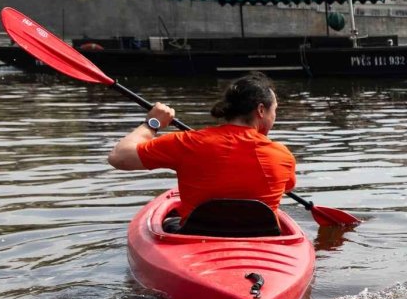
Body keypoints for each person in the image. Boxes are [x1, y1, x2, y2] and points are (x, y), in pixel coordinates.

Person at [107, 72, 296, 222]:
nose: (274, 117)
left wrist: (152, 123)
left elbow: (118, 157)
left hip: (196, 238)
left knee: (169, 220)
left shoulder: (187, 142)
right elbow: (288, 187)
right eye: (275, 110)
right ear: (261, 110)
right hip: (262, 240)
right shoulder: (283, 156)